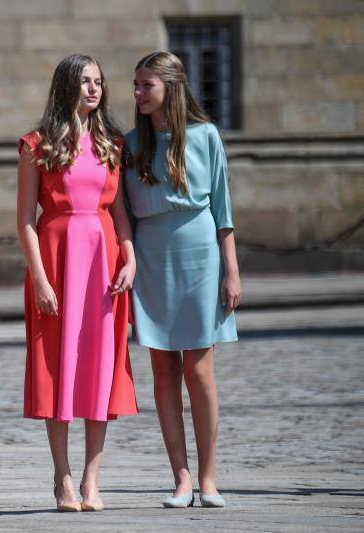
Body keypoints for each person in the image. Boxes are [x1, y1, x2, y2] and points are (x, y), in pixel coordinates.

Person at [17, 54, 138, 513]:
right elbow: (25, 221)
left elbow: (120, 214)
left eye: (99, 82)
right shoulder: (36, 144)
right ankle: (62, 475)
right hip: (56, 261)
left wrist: (130, 259)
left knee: (99, 366)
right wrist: (40, 279)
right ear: (67, 85)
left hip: (103, 265)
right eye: (86, 81)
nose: (94, 89)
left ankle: (92, 478)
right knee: (58, 365)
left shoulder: (113, 144)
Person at [123, 51, 241, 509]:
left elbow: (223, 212)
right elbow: (123, 214)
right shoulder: (131, 144)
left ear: (170, 87)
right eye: (136, 84)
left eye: (146, 84)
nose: (138, 92)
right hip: (152, 257)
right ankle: (181, 477)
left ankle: (210, 478)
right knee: (163, 370)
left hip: (201, 254)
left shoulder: (207, 135)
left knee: (199, 369)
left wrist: (231, 271)